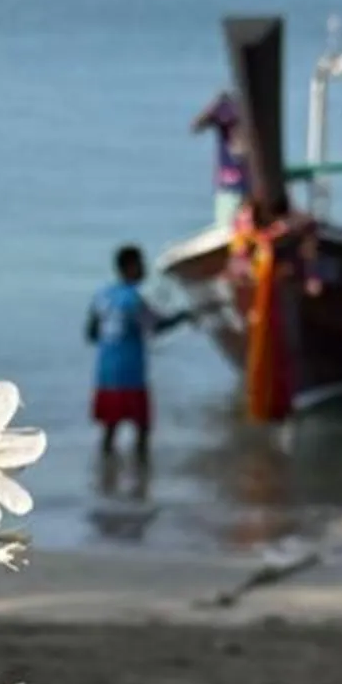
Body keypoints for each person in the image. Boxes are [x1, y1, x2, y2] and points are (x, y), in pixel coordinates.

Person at [85, 244, 177, 459]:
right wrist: (185, 315)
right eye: (140, 264)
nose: (144, 269)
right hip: (131, 375)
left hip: (106, 374)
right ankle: (142, 476)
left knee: (109, 430)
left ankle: (106, 475)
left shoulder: (102, 296)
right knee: (142, 430)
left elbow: (91, 333)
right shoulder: (135, 299)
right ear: (130, 267)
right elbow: (156, 327)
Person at [191, 90, 252, 218]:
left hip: (244, 184)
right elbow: (197, 125)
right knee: (230, 225)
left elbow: (197, 125)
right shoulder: (229, 109)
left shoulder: (243, 109)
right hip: (230, 185)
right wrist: (213, 109)